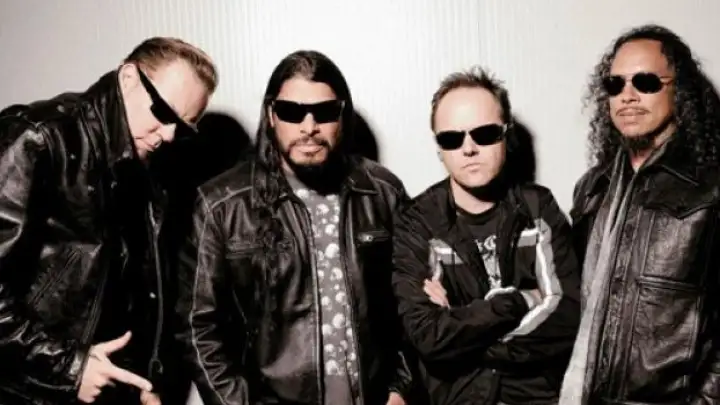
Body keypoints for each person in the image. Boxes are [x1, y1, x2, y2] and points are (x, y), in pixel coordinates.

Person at [176, 50, 413, 405]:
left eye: (324, 112)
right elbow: (197, 326)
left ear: (343, 115)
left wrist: (401, 388)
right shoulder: (222, 205)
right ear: (271, 115)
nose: (308, 127)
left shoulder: (382, 193)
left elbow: (412, 304)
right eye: (292, 111)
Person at [0, 37, 218, 405]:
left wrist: (143, 386)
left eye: (182, 127)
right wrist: (68, 369)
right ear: (128, 78)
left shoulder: (149, 167)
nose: (168, 135)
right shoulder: (38, 137)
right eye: (163, 112)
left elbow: (135, 295)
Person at [392, 66, 581, 405]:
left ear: (507, 135)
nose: (468, 149)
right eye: (451, 138)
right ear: (438, 148)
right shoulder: (419, 222)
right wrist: (521, 301)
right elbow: (429, 336)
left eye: (485, 134)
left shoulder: (537, 208)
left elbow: (566, 316)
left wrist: (462, 330)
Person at [561, 24, 720, 404]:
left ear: (679, 91)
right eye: (615, 85)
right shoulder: (592, 189)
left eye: (645, 82)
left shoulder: (711, 189)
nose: (627, 96)